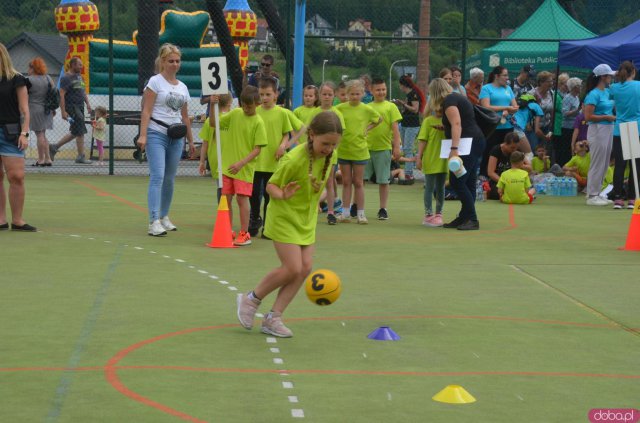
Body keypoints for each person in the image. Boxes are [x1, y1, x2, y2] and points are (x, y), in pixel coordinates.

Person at [236, 111, 342, 338]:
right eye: (325, 143)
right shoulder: (294, 159)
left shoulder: (331, 155)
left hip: (306, 219)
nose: (329, 149)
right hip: (284, 216)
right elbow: (270, 187)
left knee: (304, 269)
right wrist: (284, 194)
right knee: (292, 268)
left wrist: (320, 196)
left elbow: (322, 185)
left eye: (333, 144)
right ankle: (250, 299)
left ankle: (273, 318)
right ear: (312, 135)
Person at [137, 43, 196, 236]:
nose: (174, 64)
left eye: (177, 61)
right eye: (171, 61)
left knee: (170, 179)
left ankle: (164, 216)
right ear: (162, 62)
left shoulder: (183, 87)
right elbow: (146, 110)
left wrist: (191, 140)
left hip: (176, 137)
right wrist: (143, 134)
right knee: (158, 176)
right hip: (156, 134)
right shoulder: (155, 82)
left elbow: (185, 116)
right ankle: (153, 220)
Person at [199, 88, 266, 245]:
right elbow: (214, 123)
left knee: (242, 200)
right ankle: (227, 230)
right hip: (227, 167)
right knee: (226, 198)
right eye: (243, 105)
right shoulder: (235, 114)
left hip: (243, 169)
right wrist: (213, 104)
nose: (246, 109)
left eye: (249, 106)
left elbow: (257, 149)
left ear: (257, 104)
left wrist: (241, 163)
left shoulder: (258, 122)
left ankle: (244, 233)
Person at [428, 78, 485, 230]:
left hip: (467, 144)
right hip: (474, 141)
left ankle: (472, 219)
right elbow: (460, 122)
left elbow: (457, 124)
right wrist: (445, 127)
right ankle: (464, 217)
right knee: (468, 182)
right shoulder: (455, 97)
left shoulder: (449, 101)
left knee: (457, 182)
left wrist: (454, 149)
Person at [250, 77, 294, 238]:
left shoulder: (282, 113)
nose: (264, 98)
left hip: (273, 162)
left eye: (268, 94)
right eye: (261, 95)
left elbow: (286, 135)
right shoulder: (255, 112)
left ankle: (268, 227)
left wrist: (283, 146)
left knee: (270, 196)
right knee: (253, 194)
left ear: (276, 94)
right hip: (256, 161)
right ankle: (254, 220)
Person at [0, 42, 36, 231]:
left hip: (10, 133)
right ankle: (1, 219)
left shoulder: (17, 79)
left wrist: (24, 133)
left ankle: (18, 220)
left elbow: (24, 109)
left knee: (17, 176)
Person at [335, 79, 381, 224]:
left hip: (360, 150)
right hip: (344, 150)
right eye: (352, 94)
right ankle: (345, 213)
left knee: (358, 182)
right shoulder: (340, 108)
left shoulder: (366, 109)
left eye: (357, 93)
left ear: (362, 93)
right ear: (347, 94)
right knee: (346, 181)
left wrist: (366, 129)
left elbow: (379, 119)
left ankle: (361, 214)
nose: (354, 96)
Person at [365, 78, 402, 220]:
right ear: (372, 91)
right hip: (365, 149)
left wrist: (396, 147)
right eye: (378, 89)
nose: (381, 92)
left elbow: (395, 129)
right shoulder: (367, 107)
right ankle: (356, 206)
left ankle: (383, 209)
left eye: (383, 89)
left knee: (383, 181)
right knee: (360, 180)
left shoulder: (391, 107)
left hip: (383, 149)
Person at [49, 56, 92, 164]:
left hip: (80, 106)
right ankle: (81, 156)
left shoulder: (80, 77)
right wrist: (63, 111)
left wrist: (88, 104)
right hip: (72, 106)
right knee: (80, 129)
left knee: (76, 131)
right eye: (79, 65)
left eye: (82, 65)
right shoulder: (66, 78)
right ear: (73, 65)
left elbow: (83, 92)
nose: (81, 67)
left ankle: (54, 147)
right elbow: (61, 94)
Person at [583, 64, 616, 206]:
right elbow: (588, 116)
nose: (611, 78)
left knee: (604, 162)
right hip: (597, 129)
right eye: (609, 75)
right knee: (597, 162)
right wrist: (605, 117)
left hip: (608, 129)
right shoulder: (593, 94)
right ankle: (592, 195)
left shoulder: (607, 92)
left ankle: (598, 193)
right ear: (603, 77)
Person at [609, 61, 640, 210]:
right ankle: (633, 198)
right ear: (633, 71)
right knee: (636, 165)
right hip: (636, 128)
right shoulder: (638, 86)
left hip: (619, 129)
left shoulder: (614, 88)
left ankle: (618, 198)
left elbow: (609, 99)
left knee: (620, 165)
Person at [416, 89, 447, 227]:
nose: (439, 108)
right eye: (437, 105)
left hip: (444, 158)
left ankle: (439, 214)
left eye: (442, 105)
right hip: (430, 158)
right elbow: (422, 140)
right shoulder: (428, 121)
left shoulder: (450, 121)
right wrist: (419, 157)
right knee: (429, 187)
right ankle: (428, 215)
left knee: (441, 187)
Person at [479, 66, 519, 175]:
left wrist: (510, 111)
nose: (507, 78)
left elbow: (515, 107)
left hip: (507, 126)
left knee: (508, 152)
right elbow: (486, 106)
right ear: (497, 76)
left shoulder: (508, 89)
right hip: (492, 127)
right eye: (505, 75)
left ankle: (507, 176)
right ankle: (485, 177)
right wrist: (505, 108)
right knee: (490, 152)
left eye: (507, 75)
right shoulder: (486, 88)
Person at [317, 81, 345, 225]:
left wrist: (332, 149)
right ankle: (313, 205)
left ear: (334, 96)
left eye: (329, 94)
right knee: (315, 180)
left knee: (329, 181)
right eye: (324, 94)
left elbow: (340, 135)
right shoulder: (315, 112)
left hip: (331, 155)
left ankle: (331, 212)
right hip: (316, 155)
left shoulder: (337, 113)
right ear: (319, 95)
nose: (327, 97)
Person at [394, 74, 425, 182]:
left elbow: (415, 109)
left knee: (407, 148)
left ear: (403, 85)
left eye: (400, 85)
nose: (399, 87)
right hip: (405, 123)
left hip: (412, 124)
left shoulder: (413, 94)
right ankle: (408, 171)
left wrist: (403, 103)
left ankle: (409, 173)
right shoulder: (409, 94)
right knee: (406, 147)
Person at [26, 57, 53, 167]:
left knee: (39, 134)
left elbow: (25, 96)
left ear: (33, 68)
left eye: (29, 67)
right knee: (43, 134)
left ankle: (41, 159)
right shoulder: (48, 78)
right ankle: (48, 159)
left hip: (35, 108)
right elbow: (53, 93)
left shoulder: (28, 80)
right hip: (47, 109)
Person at [199, 93, 233, 180]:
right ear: (230, 102)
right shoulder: (234, 118)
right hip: (232, 159)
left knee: (221, 186)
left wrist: (202, 162)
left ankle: (222, 194)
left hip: (215, 159)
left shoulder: (209, 121)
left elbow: (205, 144)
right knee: (229, 188)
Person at [487, 132, 525, 200]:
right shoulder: (496, 150)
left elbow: (529, 167)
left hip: (514, 180)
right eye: (512, 147)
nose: (514, 150)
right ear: (505, 144)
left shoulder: (515, 151)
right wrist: (505, 182)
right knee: (495, 194)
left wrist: (519, 165)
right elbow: (490, 173)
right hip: (498, 181)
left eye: (516, 148)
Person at [558, 77, 582, 167]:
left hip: (574, 127)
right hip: (567, 127)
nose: (581, 87)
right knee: (566, 149)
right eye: (579, 86)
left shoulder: (576, 97)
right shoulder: (568, 98)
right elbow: (564, 113)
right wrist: (577, 110)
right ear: (574, 87)